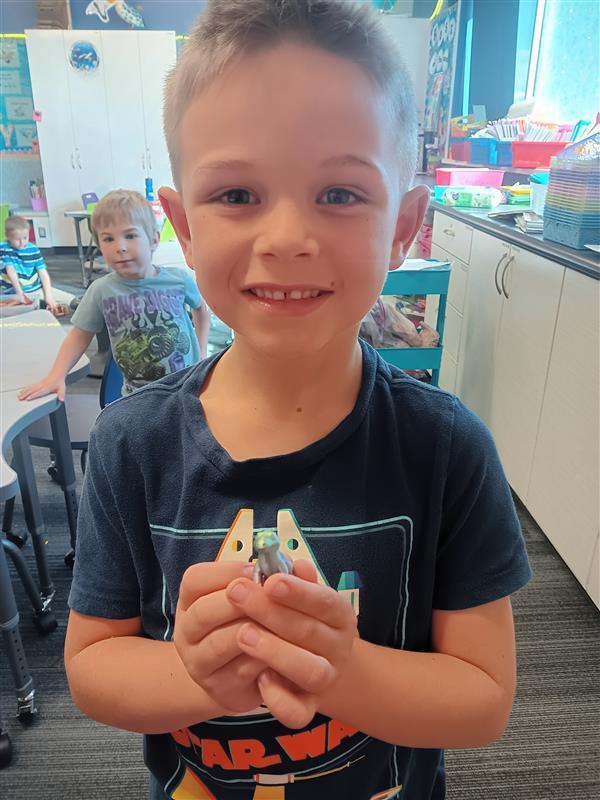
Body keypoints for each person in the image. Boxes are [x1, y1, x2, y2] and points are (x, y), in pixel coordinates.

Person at [64, 2, 531, 799]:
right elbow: (93, 666)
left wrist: (340, 670)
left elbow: (483, 700)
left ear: (404, 227)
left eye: (341, 194)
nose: (287, 237)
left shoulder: (445, 448)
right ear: (180, 223)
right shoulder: (131, 443)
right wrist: (196, 671)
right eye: (238, 194)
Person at [19, 190, 209, 402]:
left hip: (187, 388)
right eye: (108, 239)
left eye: (130, 235)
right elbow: (78, 336)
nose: (120, 247)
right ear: (100, 246)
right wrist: (56, 375)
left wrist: (201, 351)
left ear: (154, 240)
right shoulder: (101, 290)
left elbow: (201, 309)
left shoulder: (179, 280)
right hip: (137, 396)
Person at [0, 215, 58, 310]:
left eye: (25, 237)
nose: (22, 242)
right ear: (8, 237)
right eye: (17, 239)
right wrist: (20, 293)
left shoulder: (33, 250)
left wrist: (48, 296)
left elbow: (43, 274)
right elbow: (11, 271)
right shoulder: (4, 248)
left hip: (35, 289)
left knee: (70, 301)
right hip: (12, 292)